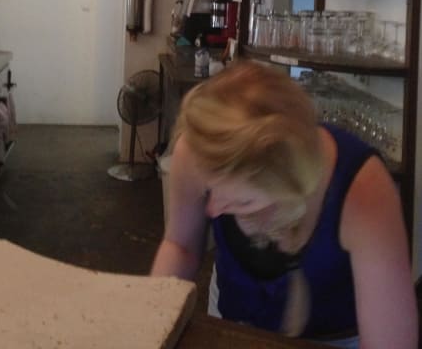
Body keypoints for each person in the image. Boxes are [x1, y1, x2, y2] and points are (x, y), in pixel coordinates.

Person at [151, 60, 418, 348]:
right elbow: (181, 246)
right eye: (209, 190)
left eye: (244, 201)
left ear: (288, 188)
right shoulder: (198, 149)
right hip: (232, 320)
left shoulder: (363, 192)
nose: (212, 210)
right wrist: (152, 322)